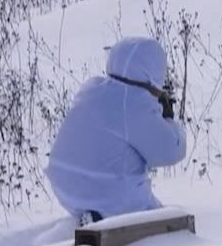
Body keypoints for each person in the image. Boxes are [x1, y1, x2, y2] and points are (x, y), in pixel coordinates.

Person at [46, 37, 186, 224]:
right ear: (153, 73)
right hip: (110, 194)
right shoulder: (134, 104)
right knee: (168, 221)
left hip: (65, 188)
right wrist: (168, 120)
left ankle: (92, 215)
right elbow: (169, 151)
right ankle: (107, 218)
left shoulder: (92, 88)